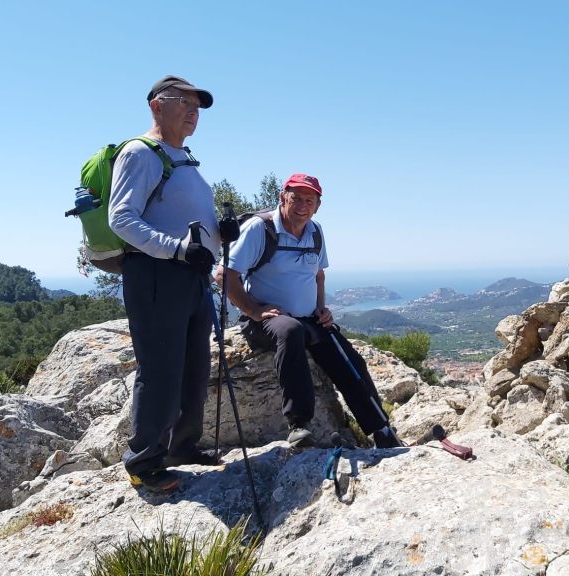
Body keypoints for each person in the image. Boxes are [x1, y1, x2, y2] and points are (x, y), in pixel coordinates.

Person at [219, 173, 400, 449]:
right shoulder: (261, 229)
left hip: (309, 318)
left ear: (317, 206)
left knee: (348, 359)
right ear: (283, 198)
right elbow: (224, 275)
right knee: (290, 330)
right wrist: (253, 310)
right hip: (270, 320)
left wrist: (321, 307)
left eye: (309, 200)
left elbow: (318, 275)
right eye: (296, 198)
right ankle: (299, 424)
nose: (302, 205)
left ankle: (382, 431)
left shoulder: (315, 231)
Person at [109, 75, 221, 492]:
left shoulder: (184, 157)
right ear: (157, 105)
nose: (193, 112)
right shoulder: (140, 153)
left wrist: (219, 232)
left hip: (191, 276)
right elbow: (120, 219)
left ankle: (182, 447)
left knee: (193, 368)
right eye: (184, 103)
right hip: (157, 275)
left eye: (198, 106)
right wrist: (177, 249)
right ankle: (144, 462)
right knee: (160, 369)